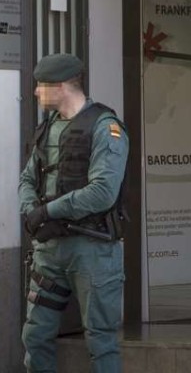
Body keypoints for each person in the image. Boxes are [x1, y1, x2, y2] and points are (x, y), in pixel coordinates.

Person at [18, 53, 129, 373]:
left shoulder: (106, 128)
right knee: (35, 336)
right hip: (50, 250)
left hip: (92, 249)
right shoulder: (48, 127)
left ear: (64, 86)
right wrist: (31, 211)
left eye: (42, 85)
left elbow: (102, 193)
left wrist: (47, 210)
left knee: (100, 340)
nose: (37, 92)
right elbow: (28, 178)